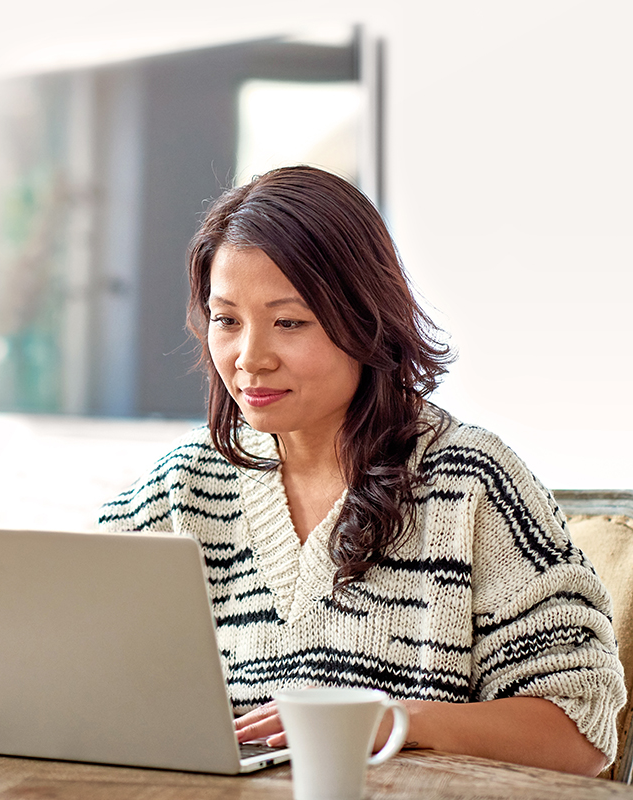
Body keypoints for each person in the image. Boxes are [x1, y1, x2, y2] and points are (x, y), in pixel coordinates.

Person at [98, 166, 624, 776]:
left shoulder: (472, 482)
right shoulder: (181, 484)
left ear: (365, 318)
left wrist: (391, 720)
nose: (249, 358)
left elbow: (581, 734)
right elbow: (79, 670)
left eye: (289, 321)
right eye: (227, 319)